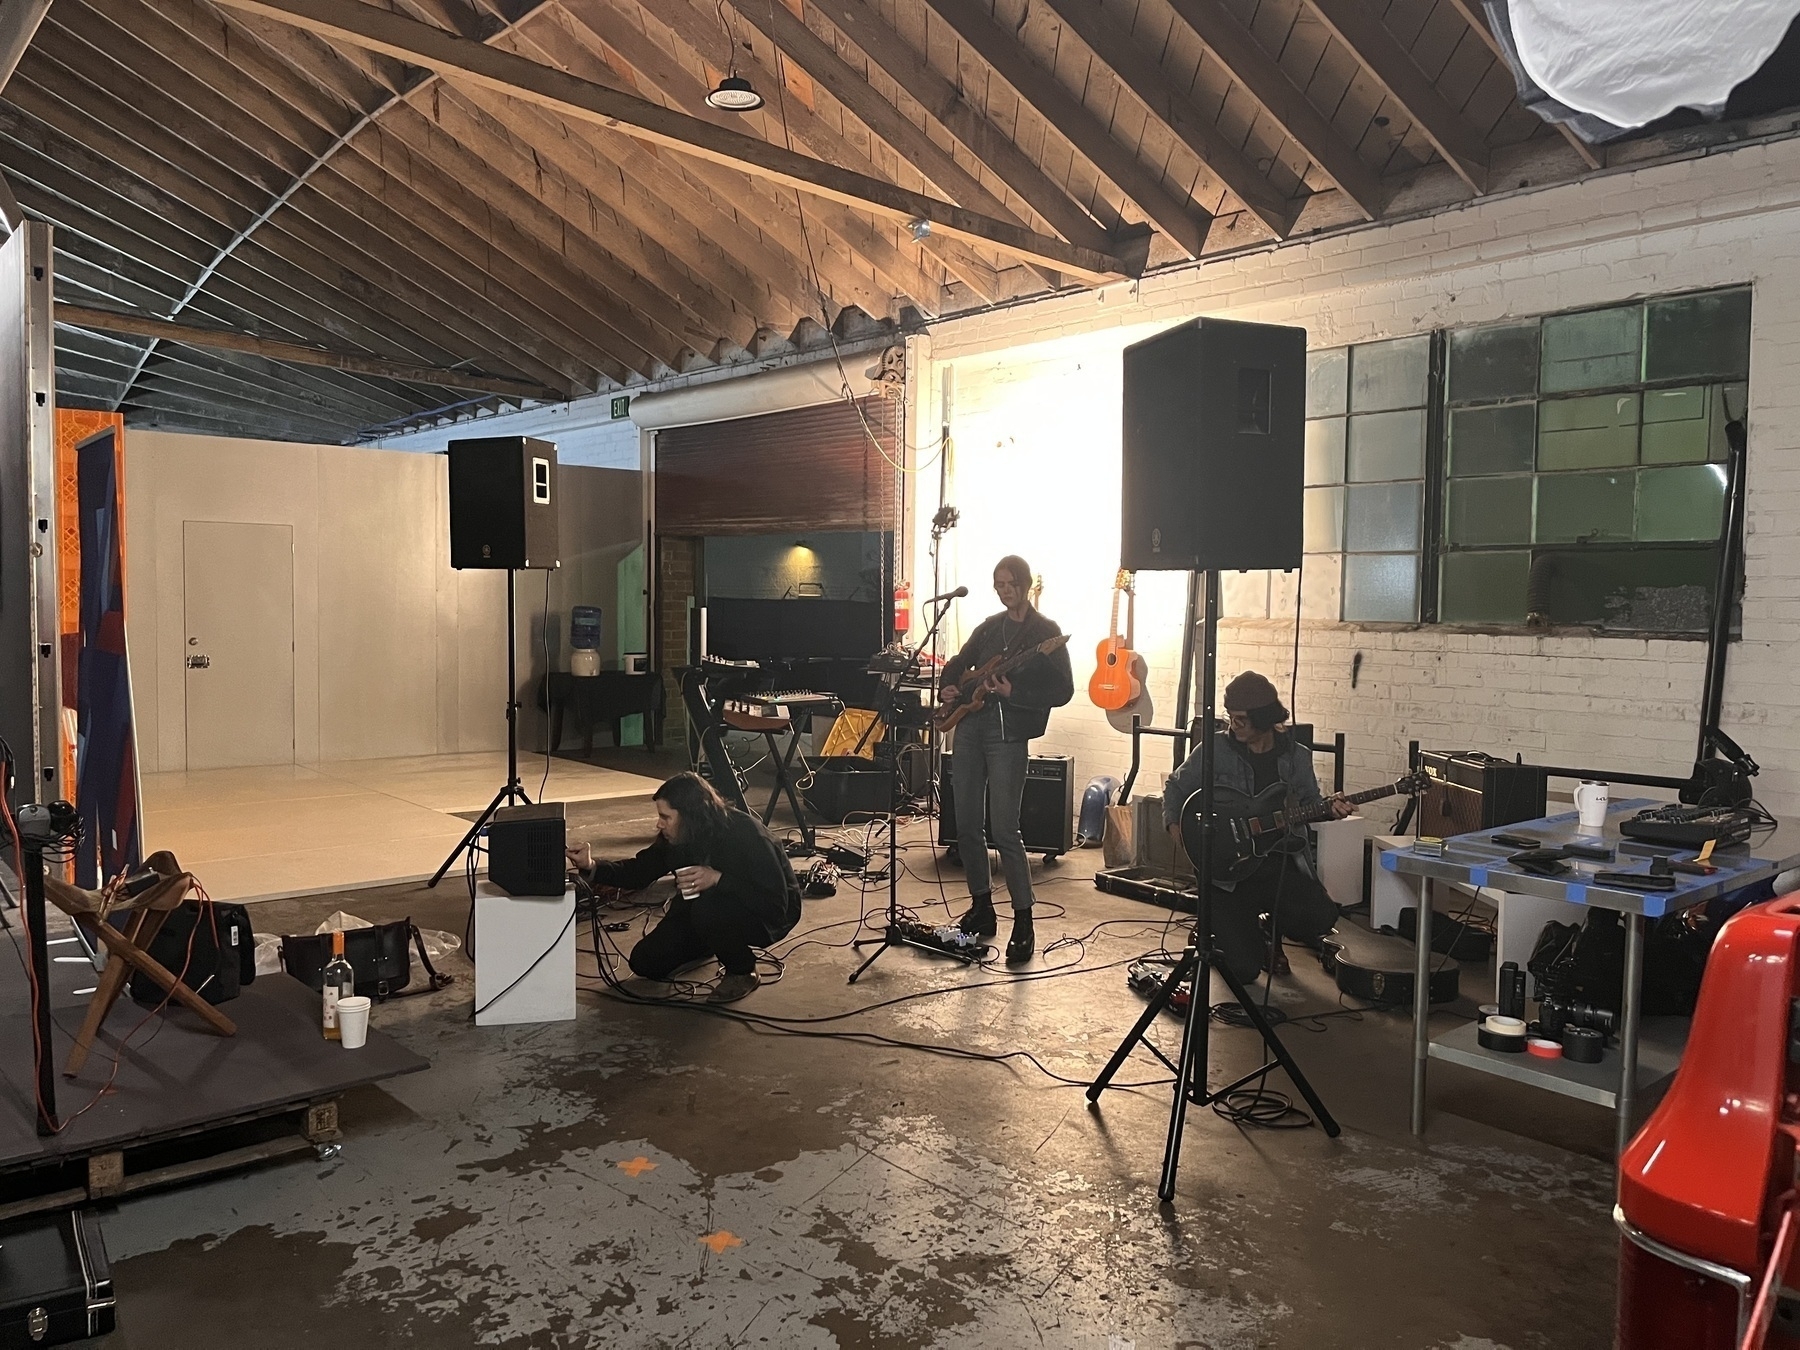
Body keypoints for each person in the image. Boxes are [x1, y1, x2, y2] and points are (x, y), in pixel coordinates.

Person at [1163, 671, 1352, 985]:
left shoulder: (1296, 757)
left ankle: (1267, 928)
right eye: (1230, 718)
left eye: (1240, 720)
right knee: (1244, 971)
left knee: (1321, 917)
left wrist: (1330, 810)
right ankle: (1231, 929)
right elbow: (1176, 787)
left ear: (1263, 719)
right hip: (1226, 875)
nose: (1232, 726)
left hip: (1273, 864)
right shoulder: (1215, 749)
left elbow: (1310, 804)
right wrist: (1177, 830)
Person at [939, 555, 1074, 964]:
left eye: (1010, 584)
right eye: (998, 584)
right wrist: (949, 685)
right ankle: (982, 907)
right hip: (969, 729)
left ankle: (1023, 920)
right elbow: (959, 663)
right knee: (965, 824)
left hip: (1008, 735)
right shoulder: (989, 627)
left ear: (1026, 584)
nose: (1003, 590)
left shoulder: (1045, 633)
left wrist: (1015, 694)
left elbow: (1063, 689)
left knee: (1005, 828)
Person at [568, 772, 801, 1003]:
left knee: (707, 909)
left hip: (767, 911)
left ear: (690, 815)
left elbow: (775, 904)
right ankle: (711, 940)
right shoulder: (681, 834)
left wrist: (719, 878)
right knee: (645, 962)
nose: (659, 823)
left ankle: (742, 971)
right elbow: (640, 871)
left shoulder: (747, 834)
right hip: (702, 907)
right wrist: (591, 865)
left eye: (665, 817)